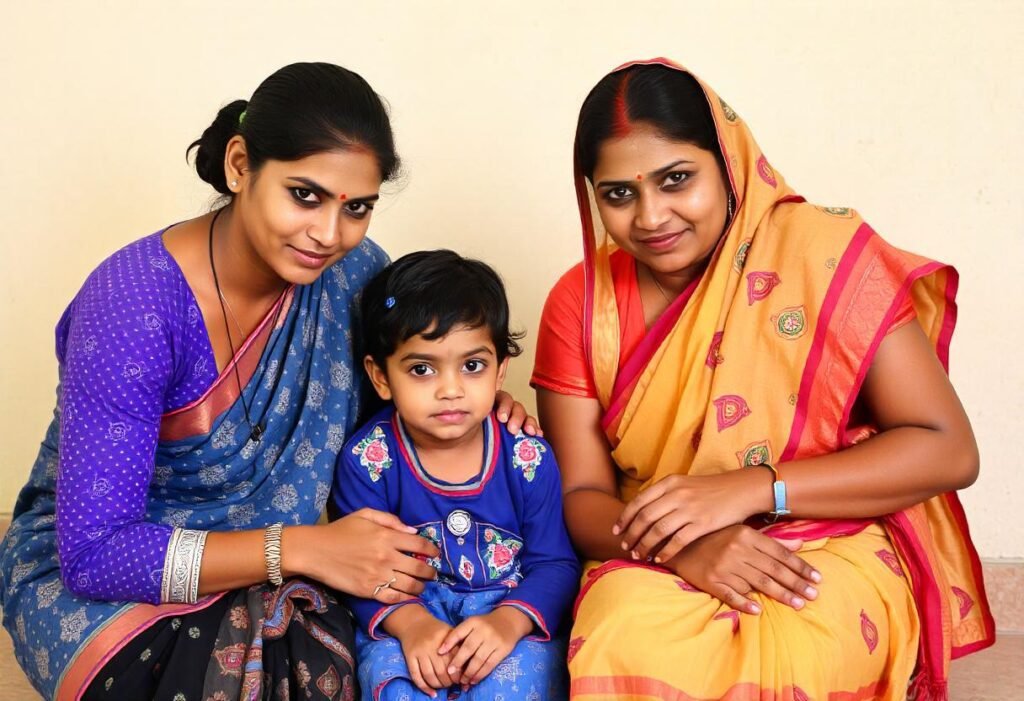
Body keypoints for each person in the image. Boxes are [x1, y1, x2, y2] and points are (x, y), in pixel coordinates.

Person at [0, 62, 536, 701]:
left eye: (356, 208)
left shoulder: (354, 275)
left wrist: (472, 401)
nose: (328, 234)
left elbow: (404, 389)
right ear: (238, 165)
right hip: (110, 582)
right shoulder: (134, 306)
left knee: (353, 671)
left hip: (297, 563)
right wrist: (299, 549)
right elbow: (94, 556)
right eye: (304, 195)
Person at [532, 58, 994, 700]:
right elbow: (580, 492)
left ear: (730, 163)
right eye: (619, 194)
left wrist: (752, 490)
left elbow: (947, 448)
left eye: (677, 180)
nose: (651, 216)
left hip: (826, 529)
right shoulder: (582, 305)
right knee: (625, 632)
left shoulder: (822, 257)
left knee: (799, 647)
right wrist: (680, 548)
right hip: (653, 537)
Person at [332, 250, 578, 700]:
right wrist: (411, 626)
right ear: (381, 377)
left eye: (473, 366)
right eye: (421, 369)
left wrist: (509, 622)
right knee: (394, 682)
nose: (451, 390)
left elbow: (555, 563)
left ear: (501, 369)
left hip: (507, 611)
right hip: (409, 611)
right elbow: (357, 568)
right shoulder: (369, 460)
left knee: (513, 684)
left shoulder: (527, 456)